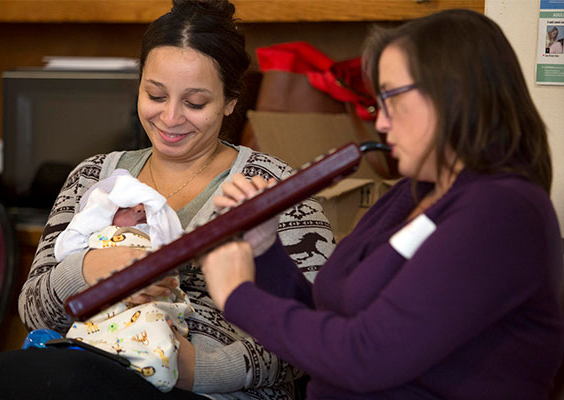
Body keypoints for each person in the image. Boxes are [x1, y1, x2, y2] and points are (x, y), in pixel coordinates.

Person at [0, 1, 334, 399]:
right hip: (85, 365)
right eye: (155, 95)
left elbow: (315, 336)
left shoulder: (276, 188)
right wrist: (89, 268)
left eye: (195, 103)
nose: (171, 117)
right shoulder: (94, 178)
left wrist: (189, 369)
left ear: (230, 102)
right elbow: (34, 312)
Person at [200, 9, 564, 400]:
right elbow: (327, 320)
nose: (382, 121)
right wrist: (264, 248)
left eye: (390, 98)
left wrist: (239, 296)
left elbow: (365, 355)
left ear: (451, 93)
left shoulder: (502, 210)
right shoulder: (409, 193)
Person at [54, 169, 193, 392]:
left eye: (142, 204)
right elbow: (62, 253)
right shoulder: (96, 238)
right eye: (123, 206)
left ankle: (154, 364)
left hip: (150, 307)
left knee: (154, 325)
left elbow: (177, 248)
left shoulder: (154, 237)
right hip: (104, 313)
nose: (138, 208)